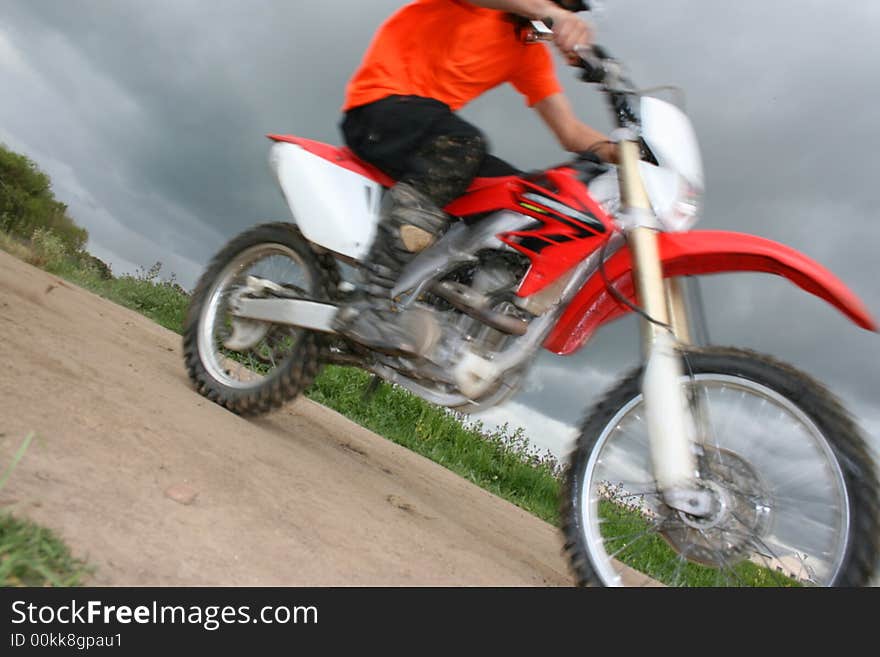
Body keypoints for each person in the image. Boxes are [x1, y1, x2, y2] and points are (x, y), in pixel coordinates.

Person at [334, 0, 616, 355]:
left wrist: (624, 151)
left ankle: (433, 309)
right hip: (377, 108)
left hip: (431, 136)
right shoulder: (478, 7)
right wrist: (551, 13)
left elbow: (570, 132)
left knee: (523, 199)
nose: (559, 15)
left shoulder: (526, 53)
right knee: (464, 145)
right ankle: (367, 302)